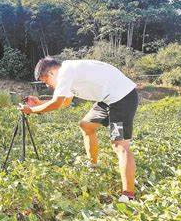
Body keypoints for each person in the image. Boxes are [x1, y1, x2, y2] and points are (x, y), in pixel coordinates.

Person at [19, 57, 139, 203]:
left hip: (121, 99)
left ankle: (129, 195)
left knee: (120, 145)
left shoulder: (65, 72)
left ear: (50, 73)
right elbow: (65, 102)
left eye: (45, 81)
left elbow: (56, 103)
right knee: (86, 125)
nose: (49, 86)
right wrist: (38, 104)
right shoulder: (68, 73)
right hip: (106, 100)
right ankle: (92, 165)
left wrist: (31, 110)